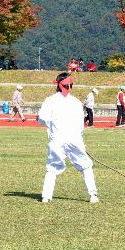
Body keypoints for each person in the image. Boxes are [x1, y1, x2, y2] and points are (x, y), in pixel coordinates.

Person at [37, 73, 99, 203]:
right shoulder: (76, 102)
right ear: (70, 86)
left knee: (52, 168)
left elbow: (42, 119)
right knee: (86, 166)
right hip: (74, 139)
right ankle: (93, 195)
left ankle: (46, 196)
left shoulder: (50, 100)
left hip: (57, 140)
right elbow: (80, 126)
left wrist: (44, 121)